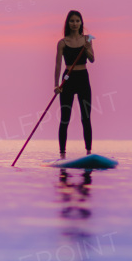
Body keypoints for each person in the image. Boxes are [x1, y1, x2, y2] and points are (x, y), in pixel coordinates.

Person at [54, 10, 94, 159]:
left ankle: (89, 153)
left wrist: (87, 47)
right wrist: (56, 85)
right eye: (72, 21)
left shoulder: (87, 39)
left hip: (83, 78)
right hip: (68, 79)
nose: (75, 24)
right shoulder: (62, 43)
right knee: (65, 117)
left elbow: (92, 59)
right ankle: (62, 155)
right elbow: (58, 65)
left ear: (81, 23)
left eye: (77, 21)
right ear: (68, 23)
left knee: (86, 117)